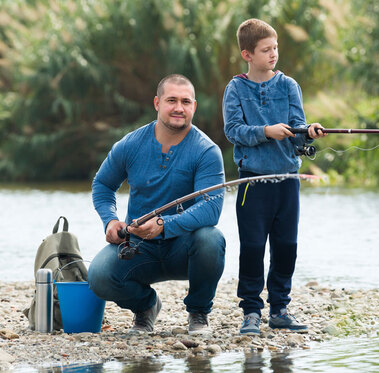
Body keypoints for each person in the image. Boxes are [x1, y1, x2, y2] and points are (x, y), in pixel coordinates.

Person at [88, 74, 226, 335]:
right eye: (171, 100)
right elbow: (102, 186)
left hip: (185, 248)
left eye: (185, 101)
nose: (178, 108)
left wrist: (164, 224)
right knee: (98, 276)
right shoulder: (130, 144)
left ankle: (198, 313)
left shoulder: (207, 151)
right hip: (138, 247)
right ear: (156, 103)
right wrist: (110, 219)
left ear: (193, 107)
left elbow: (211, 208)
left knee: (211, 239)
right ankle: (146, 307)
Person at [222, 18, 327, 335]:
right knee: (252, 247)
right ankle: (251, 312)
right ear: (247, 54)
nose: (273, 54)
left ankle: (280, 309)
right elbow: (232, 131)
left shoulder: (289, 86)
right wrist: (266, 132)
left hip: (288, 182)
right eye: (266, 49)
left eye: (275, 48)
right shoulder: (236, 88)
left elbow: (298, 133)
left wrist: (307, 134)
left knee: (286, 246)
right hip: (251, 183)